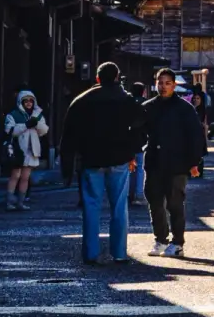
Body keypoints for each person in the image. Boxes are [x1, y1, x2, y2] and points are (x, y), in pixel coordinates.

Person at [65, 63, 145, 266]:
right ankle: (119, 253)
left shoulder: (82, 101)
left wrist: (67, 166)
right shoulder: (127, 100)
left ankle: (91, 253)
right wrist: (132, 152)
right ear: (117, 77)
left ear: (98, 78)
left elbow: (69, 135)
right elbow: (138, 128)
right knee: (119, 206)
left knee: (91, 206)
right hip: (119, 158)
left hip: (91, 159)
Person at [141, 67, 206, 257]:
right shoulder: (148, 106)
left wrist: (195, 162)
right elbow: (137, 131)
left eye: (167, 83)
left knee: (175, 203)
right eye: (160, 83)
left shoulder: (185, 109)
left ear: (174, 85)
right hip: (154, 160)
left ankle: (178, 242)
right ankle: (161, 238)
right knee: (154, 201)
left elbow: (195, 136)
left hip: (177, 162)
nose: (163, 86)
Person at [3, 90, 47, 211]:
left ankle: (20, 202)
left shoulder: (37, 114)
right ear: (20, 102)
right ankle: (9, 201)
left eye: (31, 101)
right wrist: (26, 125)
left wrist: (36, 123)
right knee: (15, 175)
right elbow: (10, 130)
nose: (28, 103)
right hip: (18, 150)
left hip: (31, 150)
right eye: (26, 101)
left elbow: (44, 131)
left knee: (25, 177)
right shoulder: (13, 115)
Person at [128, 82, 149, 202]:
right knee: (140, 167)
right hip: (142, 140)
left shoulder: (128, 103)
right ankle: (139, 193)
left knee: (129, 168)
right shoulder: (146, 103)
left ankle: (129, 193)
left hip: (129, 140)